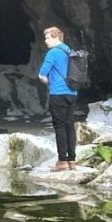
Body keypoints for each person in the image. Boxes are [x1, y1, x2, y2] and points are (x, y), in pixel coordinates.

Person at [38, 26, 78, 171]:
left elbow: (42, 74)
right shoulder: (69, 51)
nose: (45, 40)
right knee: (69, 126)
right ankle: (72, 160)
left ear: (56, 37)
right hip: (72, 94)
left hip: (58, 94)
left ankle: (62, 161)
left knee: (59, 126)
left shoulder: (53, 53)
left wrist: (48, 82)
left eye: (48, 37)